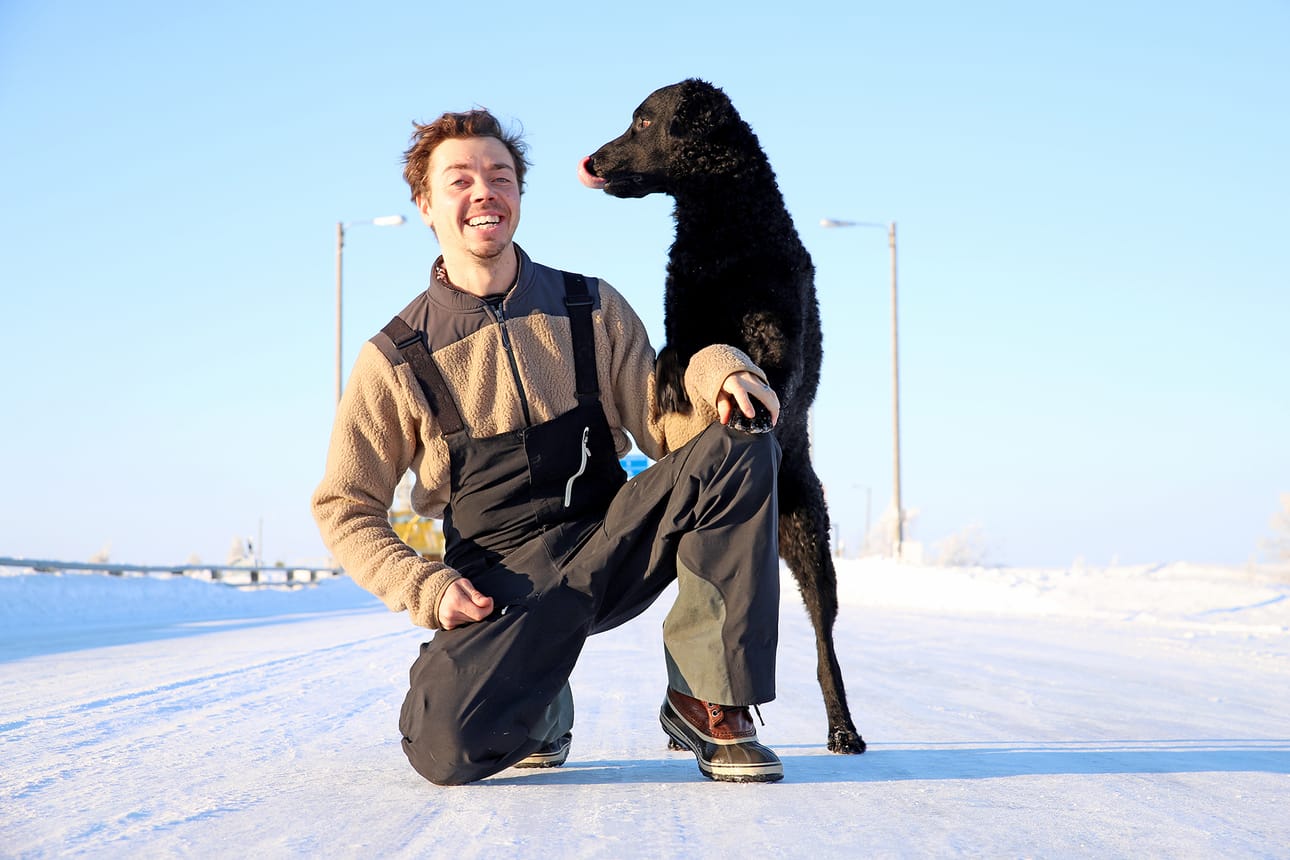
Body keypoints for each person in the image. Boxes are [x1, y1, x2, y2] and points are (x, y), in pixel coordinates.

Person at [311, 108, 785, 786]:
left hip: (611, 540)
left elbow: (668, 427)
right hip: (502, 584)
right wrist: (426, 586)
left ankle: (705, 695)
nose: (484, 192)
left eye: (500, 176)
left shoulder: (590, 308)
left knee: (742, 445)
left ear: (519, 197)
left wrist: (720, 372)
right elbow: (343, 506)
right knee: (445, 748)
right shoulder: (395, 358)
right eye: (460, 179)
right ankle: (536, 705)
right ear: (425, 205)